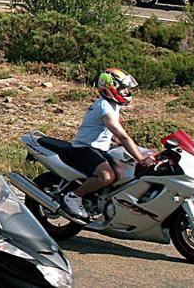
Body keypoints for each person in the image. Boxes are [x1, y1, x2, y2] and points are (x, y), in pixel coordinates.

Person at [59, 68, 152, 222]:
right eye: (123, 88)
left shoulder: (112, 105)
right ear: (111, 88)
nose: (127, 91)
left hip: (99, 149)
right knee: (107, 176)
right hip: (84, 149)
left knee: (125, 170)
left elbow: (109, 135)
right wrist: (141, 158)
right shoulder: (104, 105)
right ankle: (73, 197)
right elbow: (121, 135)